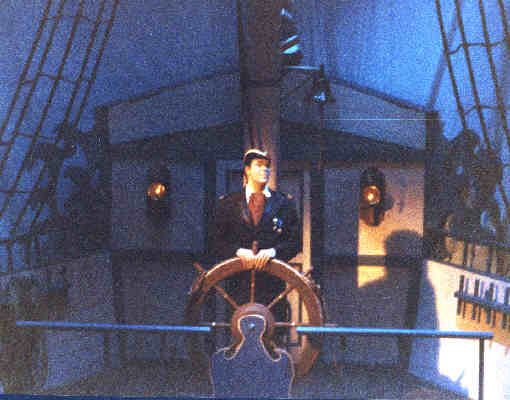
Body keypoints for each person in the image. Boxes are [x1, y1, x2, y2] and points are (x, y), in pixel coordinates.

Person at [214, 149, 301, 321]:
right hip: (238, 288)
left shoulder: (284, 203)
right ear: (247, 170)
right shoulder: (228, 203)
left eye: (267, 166)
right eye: (259, 165)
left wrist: (273, 252)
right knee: (239, 331)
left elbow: (295, 241)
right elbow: (216, 240)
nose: (265, 170)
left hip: (273, 287)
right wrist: (237, 251)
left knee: (274, 332)